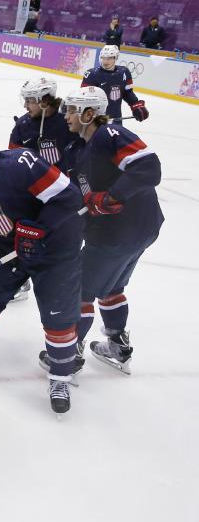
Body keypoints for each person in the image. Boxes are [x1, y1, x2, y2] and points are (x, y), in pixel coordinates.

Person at [0, 121, 84, 414]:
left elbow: (70, 197)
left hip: (55, 252)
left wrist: (37, 230)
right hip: (10, 251)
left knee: (57, 316)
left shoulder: (23, 164)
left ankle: (60, 376)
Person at [52, 86, 163, 375]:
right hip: (140, 229)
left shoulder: (110, 134)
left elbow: (149, 168)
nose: (67, 116)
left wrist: (112, 196)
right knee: (112, 287)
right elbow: (81, 197)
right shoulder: (81, 148)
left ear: (90, 114)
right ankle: (118, 347)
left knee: (80, 290)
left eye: (73, 110)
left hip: (118, 233)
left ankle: (69, 356)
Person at [7, 77, 74, 302]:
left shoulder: (68, 120)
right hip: (33, 194)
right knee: (23, 236)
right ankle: (20, 278)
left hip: (65, 195)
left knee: (56, 243)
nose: (25, 107)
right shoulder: (23, 125)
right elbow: (12, 161)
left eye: (30, 101)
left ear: (45, 101)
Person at [80, 45, 148, 124]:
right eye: (103, 58)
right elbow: (83, 97)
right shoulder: (91, 74)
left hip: (116, 119)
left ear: (115, 58)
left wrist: (136, 105)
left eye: (109, 58)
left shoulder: (124, 72)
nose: (105, 61)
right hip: (96, 121)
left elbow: (128, 92)